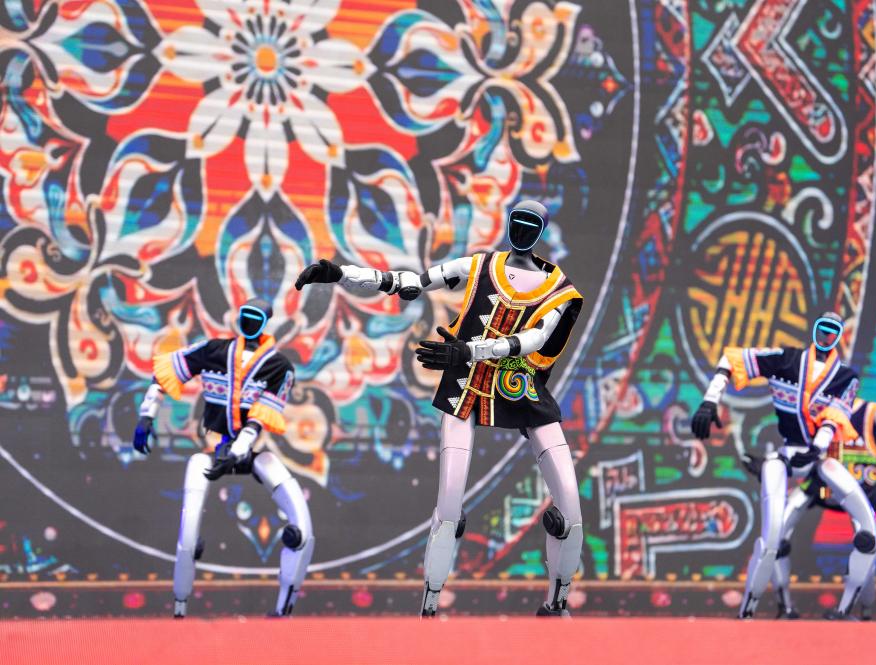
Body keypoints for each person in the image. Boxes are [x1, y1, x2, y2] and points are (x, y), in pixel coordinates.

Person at [295, 200, 584, 617]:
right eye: (517, 221)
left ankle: (556, 604)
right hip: (465, 388)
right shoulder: (480, 266)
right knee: (448, 506)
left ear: (541, 230)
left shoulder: (557, 289)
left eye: (531, 224)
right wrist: (341, 274)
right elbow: (409, 283)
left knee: (570, 507)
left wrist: (470, 350)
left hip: (521, 387)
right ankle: (430, 606)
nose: (522, 230)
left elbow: (535, 340)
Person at [691, 312, 876, 619]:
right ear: (815, 330)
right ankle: (752, 609)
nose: (827, 337)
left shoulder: (846, 378)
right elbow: (733, 359)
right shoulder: (786, 360)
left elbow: (834, 418)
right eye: (823, 329)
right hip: (786, 456)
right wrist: (710, 400)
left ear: (839, 336)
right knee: (774, 534)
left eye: (833, 332)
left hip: (821, 459)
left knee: (868, 528)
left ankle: (851, 608)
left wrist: (817, 448)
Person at [133, 299, 312, 617]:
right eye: (246, 316)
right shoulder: (214, 351)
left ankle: (284, 608)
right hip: (216, 448)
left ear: (265, 322)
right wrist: (147, 414)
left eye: (255, 318)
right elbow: (166, 372)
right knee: (188, 533)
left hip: (250, 451)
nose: (249, 323)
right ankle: (180, 609)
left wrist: (239, 450)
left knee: (302, 529)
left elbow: (260, 417)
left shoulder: (278, 367)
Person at [768, 397, 876, 619]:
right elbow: (800, 446)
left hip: (860, 485)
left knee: (866, 541)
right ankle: (785, 606)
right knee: (779, 530)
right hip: (821, 480)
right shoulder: (817, 409)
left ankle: (859, 610)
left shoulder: (868, 411)